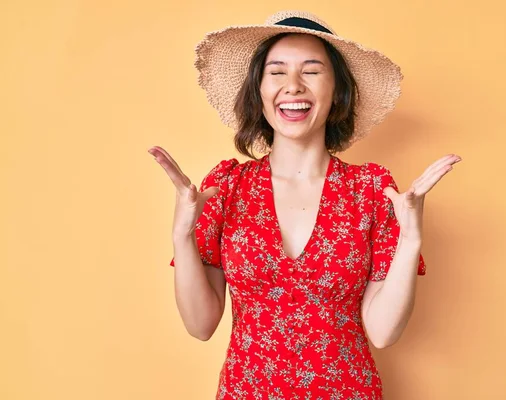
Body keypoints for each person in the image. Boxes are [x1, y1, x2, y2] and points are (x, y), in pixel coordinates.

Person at [148, 10, 461, 399]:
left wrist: (411, 242)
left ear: (337, 92)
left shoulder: (371, 190)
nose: (293, 86)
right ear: (258, 90)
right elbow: (200, 325)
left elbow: (383, 333)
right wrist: (183, 236)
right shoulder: (226, 187)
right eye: (276, 72)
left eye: (311, 71)